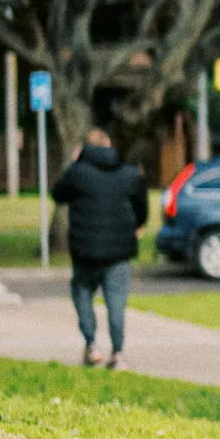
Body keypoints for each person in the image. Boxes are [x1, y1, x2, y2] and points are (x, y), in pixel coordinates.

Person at [51, 127, 147, 369]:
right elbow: (141, 207)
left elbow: (58, 194)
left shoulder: (77, 173)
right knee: (116, 303)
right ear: (109, 145)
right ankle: (118, 353)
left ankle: (92, 345)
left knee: (82, 294)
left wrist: (74, 163)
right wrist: (138, 225)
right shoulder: (129, 174)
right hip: (118, 252)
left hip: (86, 252)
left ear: (83, 148)